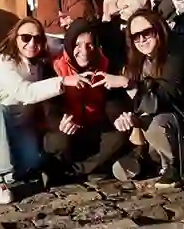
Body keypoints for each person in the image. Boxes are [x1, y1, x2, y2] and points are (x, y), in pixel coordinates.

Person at [0, 16, 85, 204]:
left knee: (31, 162)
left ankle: (7, 171)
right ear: (15, 38)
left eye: (37, 38)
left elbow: (65, 48)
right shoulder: (3, 59)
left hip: (18, 127)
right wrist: (64, 81)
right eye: (25, 37)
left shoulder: (38, 61)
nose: (32, 43)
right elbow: (26, 92)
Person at [111, 9, 184, 187]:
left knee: (155, 123)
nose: (141, 40)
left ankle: (173, 167)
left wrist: (129, 85)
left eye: (146, 33)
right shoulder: (137, 62)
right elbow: (134, 104)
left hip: (181, 124)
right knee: (120, 169)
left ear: (158, 30)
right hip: (147, 129)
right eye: (135, 37)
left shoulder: (175, 55)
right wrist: (127, 118)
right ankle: (148, 159)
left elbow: (163, 100)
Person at [43, 19, 133, 179]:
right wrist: (59, 122)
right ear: (69, 45)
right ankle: (86, 168)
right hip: (68, 128)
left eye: (89, 45)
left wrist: (118, 118)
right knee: (58, 141)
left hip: (94, 127)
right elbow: (49, 106)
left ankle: (77, 171)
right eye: (77, 45)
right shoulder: (54, 67)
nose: (84, 51)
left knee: (119, 135)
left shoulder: (105, 65)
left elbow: (113, 100)